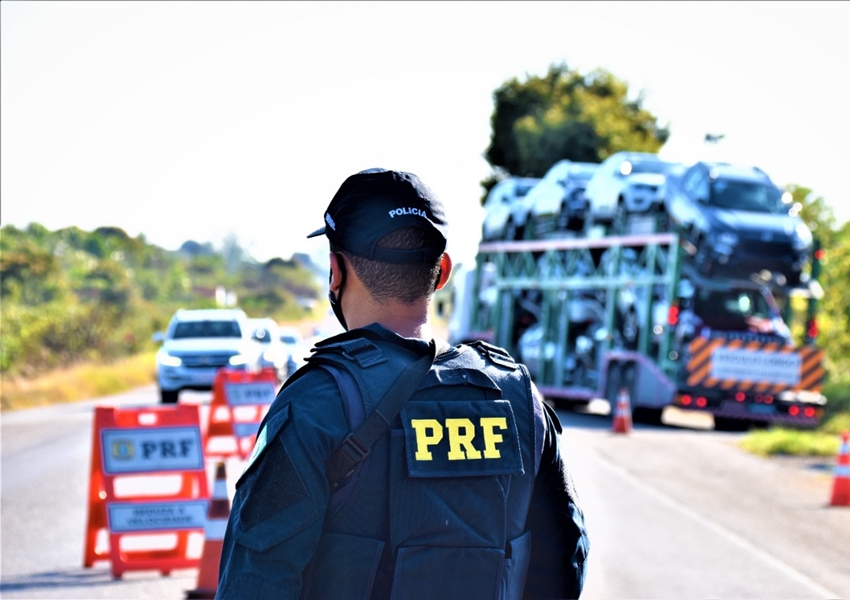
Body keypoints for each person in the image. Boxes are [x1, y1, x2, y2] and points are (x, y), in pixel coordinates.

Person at [216, 168, 589, 600]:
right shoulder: (517, 397)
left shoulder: (317, 402)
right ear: (442, 271)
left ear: (336, 270)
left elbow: (256, 577)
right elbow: (566, 562)